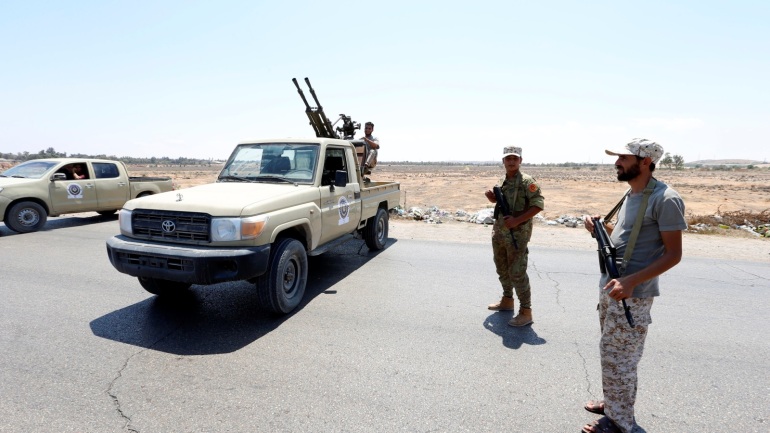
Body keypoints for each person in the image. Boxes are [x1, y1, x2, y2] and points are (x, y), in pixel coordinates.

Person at [580, 138, 686, 433]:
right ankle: (614, 401)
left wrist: (630, 282)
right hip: (613, 288)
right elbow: (627, 241)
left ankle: (619, 423)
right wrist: (600, 230)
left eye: (623, 158)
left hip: (632, 295)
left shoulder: (666, 199)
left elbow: (673, 254)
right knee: (614, 356)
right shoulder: (632, 194)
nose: (617, 163)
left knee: (620, 359)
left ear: (644, 162)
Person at [484, 146, 544, 326]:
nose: (511, 162)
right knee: (502, 268)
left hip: (517, 235)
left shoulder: (527, 181)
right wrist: (493, 199)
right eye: (508, 158)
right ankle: (507, 300)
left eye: (514, 159)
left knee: (517, 273)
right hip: (500, 232)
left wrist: (518, 221)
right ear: (503, 161)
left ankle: (526, 311)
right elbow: (504, 203)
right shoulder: (503, 180)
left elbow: (538, 205)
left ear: (520, 161)